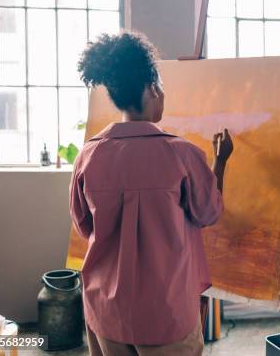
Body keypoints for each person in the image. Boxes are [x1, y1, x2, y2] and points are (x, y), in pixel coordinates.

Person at [70, 31, 233, 356]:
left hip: (105, 310)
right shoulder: (181, 154)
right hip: (165, 313)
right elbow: (209, 211)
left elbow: (84, 227)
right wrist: (221, 161)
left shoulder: (88, 155)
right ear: (151, 88)